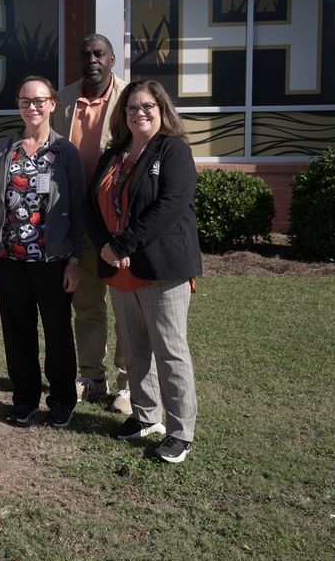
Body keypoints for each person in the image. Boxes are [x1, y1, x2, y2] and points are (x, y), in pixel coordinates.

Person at [84, 79, 201, 463]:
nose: (140, 113)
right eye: (132, 108)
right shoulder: (113, 154)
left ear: (162, 109)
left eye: (148, 106)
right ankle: (146, 416)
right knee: (134, 349)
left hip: (161, 268)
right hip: (119, 267)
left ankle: (181, 432)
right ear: (123, 115)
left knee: (170, 351)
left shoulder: (174, 150)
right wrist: (107, 246)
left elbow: (170, 205)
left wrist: (122, 244)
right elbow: (90, 205)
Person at [0, 76, 84, 428]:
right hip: (9, 259)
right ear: (18, 106)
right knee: (17, 330)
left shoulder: (65, 152)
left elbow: (79, 209)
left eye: (39, 100)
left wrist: (75, 259)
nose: (32, 107)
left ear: (53, 104)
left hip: (53, 261)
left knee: (57, 331)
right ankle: (24, 399)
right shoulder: (3, 149)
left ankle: (61, 401)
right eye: (25, 101)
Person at [56, 33, 132, 414]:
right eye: (85, 53)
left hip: (118, 220)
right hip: (78, 216)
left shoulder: (132, 98)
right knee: (86, 304)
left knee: (125, 306)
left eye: (99, 53)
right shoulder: (63, 99)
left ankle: (128, 384)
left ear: (113, 59)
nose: (92, 59)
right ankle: (91, 376)